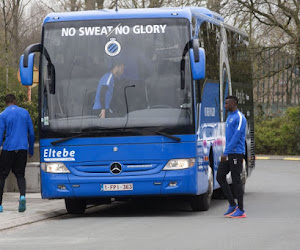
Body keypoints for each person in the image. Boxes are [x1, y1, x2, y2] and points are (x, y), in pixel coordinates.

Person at [0, 94, 34, 213]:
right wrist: (31, 150)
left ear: (6, 103)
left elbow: (0, 134)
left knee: (2, 176)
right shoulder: (25, 113)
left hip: (8, 149)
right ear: (15, 101)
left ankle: (0, 205)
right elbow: (31, 133)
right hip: (22, 149)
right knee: (20, 175)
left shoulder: (3, 114)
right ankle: (22, 196)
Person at [216, 95, 247, 218]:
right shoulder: (229, 117)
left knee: (236, 180)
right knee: (220, 176)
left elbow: (237, 136)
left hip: (236, 153)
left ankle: (241, 210)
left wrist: (226, 152)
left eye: (227, 103)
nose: (225, 106)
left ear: (234, 103)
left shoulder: (240, 117)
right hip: (229, 152)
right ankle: (232, 205)